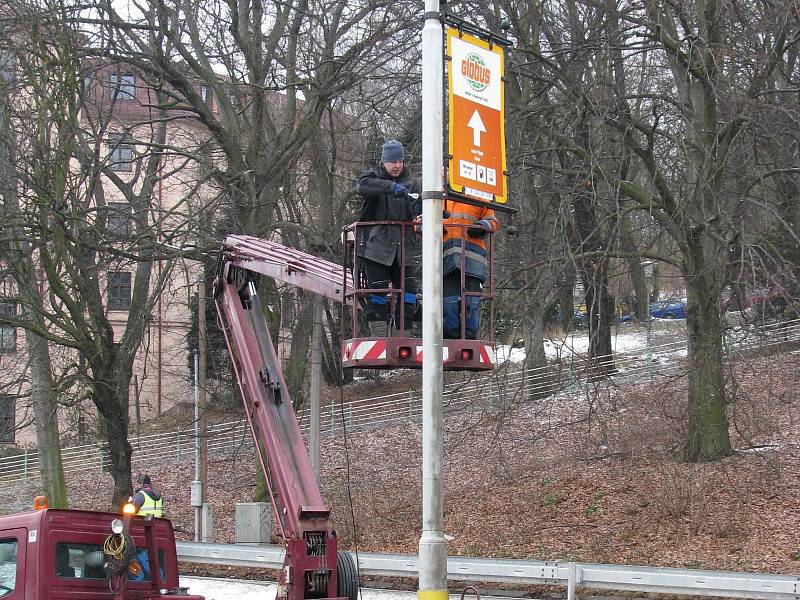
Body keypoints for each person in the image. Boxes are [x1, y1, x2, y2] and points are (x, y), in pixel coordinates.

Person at [356, 139, 421, 337]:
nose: (397, 165)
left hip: (403, 247)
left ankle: (403, 332)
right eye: (392, 162)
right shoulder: (371, 178)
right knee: (378, 289)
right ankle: (380, 335)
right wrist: (391, 187)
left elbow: (419, 205)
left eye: (400, 161)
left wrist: (420, 210)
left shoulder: (413, 183)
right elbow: (363, 187)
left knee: (409, 290)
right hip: (376, 247)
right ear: (384, 162)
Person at [442, 198, 499, 339]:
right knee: (449, 304)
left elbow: (493, 222)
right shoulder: (437, 199)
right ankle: (450, 338)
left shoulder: (478, 198)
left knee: (470, 304)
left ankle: (470, 338)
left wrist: (481, 227)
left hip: (472, 261)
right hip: (446, 261)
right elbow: (419, 221)